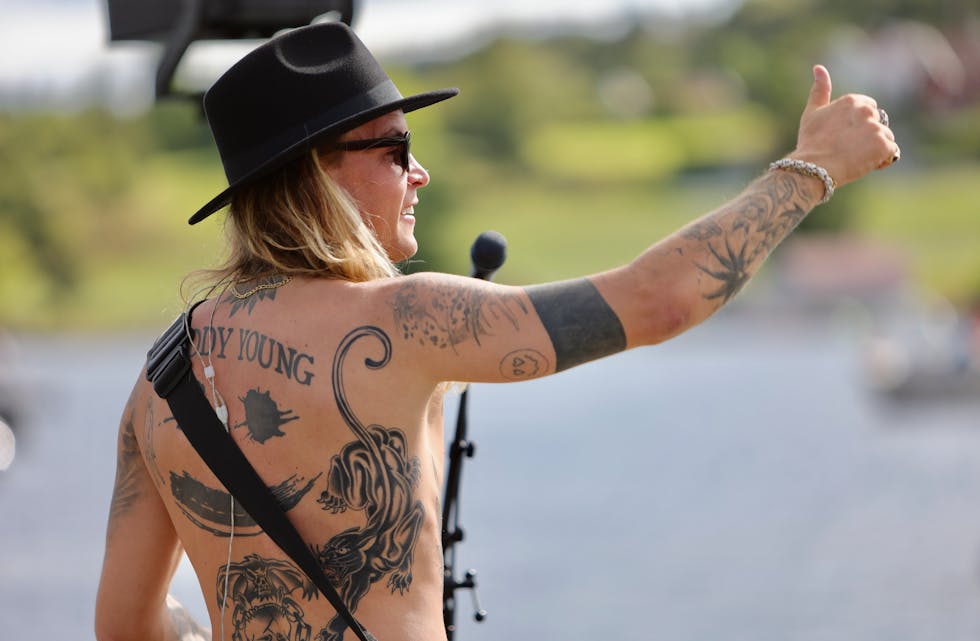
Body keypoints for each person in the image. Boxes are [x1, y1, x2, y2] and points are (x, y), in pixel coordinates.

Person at [95, 20, 899, 641]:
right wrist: (811, 171)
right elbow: (656, 302)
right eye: (395, 147)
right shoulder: (399, 320)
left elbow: (125, 626)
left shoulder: (161, 379)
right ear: (318, 170)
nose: (420, 172)